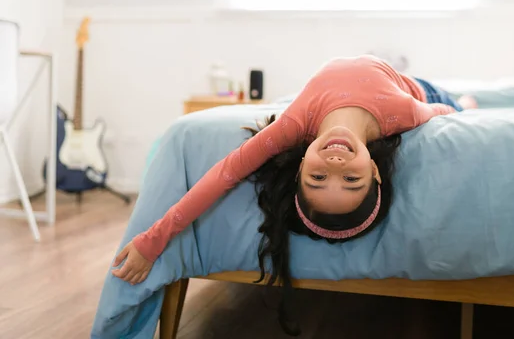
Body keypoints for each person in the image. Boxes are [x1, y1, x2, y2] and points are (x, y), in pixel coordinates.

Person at [111, 55, 476, 291]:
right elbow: (442, 112)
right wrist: (459, 110)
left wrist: (153, 239)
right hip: (418, 89)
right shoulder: (405, 113)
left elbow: (223, 174)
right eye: (352, 180)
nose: (336, 168)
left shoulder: (294, 124)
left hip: (361, 84)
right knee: (459, 102)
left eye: (317, 178)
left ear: (301, 165)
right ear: (375, 172)